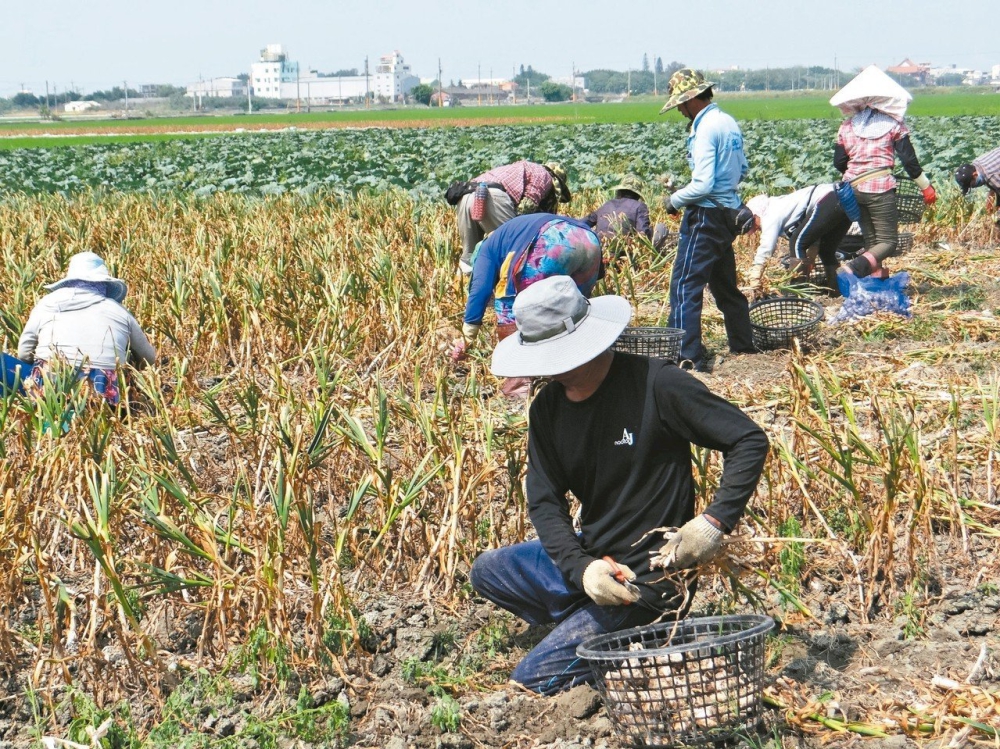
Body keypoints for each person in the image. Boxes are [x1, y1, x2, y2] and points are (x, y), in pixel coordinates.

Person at [470, 276, 769, 695]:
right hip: (595, 553)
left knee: (531, 680)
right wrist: (582, 568)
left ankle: (636, 625)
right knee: (488, 570)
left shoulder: (658, 385)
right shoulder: (548, 409)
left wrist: (713, 523)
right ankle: (591, 604)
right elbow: (543, 500)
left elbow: (748, 440)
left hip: (648, 579)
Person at [659, 69, 756, 372]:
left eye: (679, 104)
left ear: (690, 100)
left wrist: (673, 200)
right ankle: (743, 343)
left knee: (685, 285)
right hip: (728, 212)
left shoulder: (704, 129)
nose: (678, 110)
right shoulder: (728, 122)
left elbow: (701, 184)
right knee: (725, 284)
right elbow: (742, 170)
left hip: (704, 217)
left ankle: (686, 356)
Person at [449, 214, 602, 398]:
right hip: (588, 240)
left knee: (508, 303)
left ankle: (518, 384)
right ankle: (586, 369)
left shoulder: (485, 250)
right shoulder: (509, 235)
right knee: (573, 308)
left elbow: (480, 290)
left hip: (549, 242)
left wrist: (467, 338)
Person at [832, 66, 936, 278]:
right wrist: (926, 187)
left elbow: (839, 161)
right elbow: (909, 160)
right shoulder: (894, 124)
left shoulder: (847, 126)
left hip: (852, 189)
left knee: (872, 240)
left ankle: (875, 277)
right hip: (879, 188)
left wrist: (856, 172)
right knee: (889, 241)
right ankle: (856, 266)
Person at [18, 251, 156, 407]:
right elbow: (148, 358)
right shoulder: (120, 311)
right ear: (104, 283)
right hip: (103, 394)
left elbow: (24, 352)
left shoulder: (47, 304)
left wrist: (35, 368)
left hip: (50, 385)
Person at [454, 160, 571, 273]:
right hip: (491, 197)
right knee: (514, 251)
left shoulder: (521, 167)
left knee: (468, 258)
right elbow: (527, 207)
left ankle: (463, 286)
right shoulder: (543, 174)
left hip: (465, 197)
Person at [745, 184, 851, 297]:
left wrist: (755, 275)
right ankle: (837, 292)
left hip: (828, 198)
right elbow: (813, 234)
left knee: (796, 243)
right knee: (826, 250)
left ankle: (796, 294)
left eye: (752, 223)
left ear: (756, 214)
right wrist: (810, 258)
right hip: (844, 199)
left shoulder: (770, 213)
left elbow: (767, 246)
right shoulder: (780, 207)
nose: (754, 229)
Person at [582, 174, 652, 244]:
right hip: (623, 250)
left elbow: (583, 223)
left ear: (619, 192)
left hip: (598, 246)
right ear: (637, 196)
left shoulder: (607, 204)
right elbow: (643, 234)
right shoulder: (640, 206)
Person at [955, 147, 1000, 225]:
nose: (972, 187)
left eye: (971, 185)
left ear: (975, 174)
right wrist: (991, 196)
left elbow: (992, 177)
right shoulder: (977, 163)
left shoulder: (991, 176)